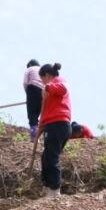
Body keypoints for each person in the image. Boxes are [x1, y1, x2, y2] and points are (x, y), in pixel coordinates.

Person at [38, 63, 71, 199]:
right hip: (52, 124)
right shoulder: (49, 92)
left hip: (58, 124)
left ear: (47, 76)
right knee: (46, 157)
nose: (42, 83)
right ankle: (47, 187)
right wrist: (41, 127)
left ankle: (54, 190)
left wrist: (47, 86)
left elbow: (63, 89)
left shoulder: (59, 81)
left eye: (42, 79)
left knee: (52, 157)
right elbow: (46, 112)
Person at [24, 59, 44, 140]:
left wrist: (29, 96)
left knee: (32, 114)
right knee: (38, 112)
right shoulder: (43, 69)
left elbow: (25, 83)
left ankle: (34, 136)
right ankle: (38, 133)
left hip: (32, 89)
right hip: (43, 91)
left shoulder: (29, 69)